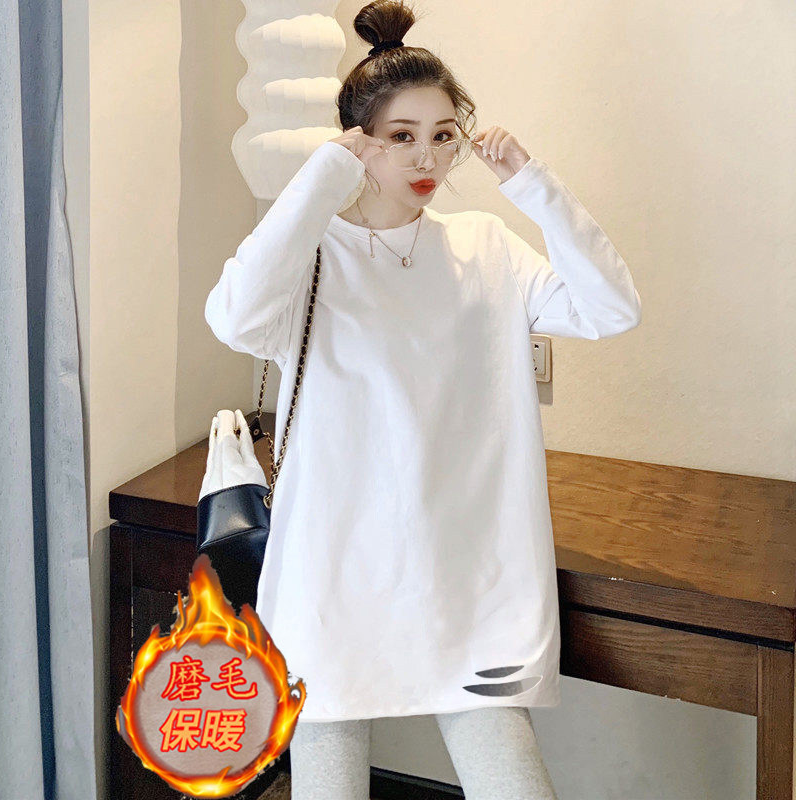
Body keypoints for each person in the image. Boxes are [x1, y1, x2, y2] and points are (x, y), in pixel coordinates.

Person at [204, 1, 642, 797]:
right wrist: (321, 178)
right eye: (400, 135)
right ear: (357, 142)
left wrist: (534, 186)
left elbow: (611, 309)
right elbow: (233, 319)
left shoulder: (483, 246)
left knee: (515, 782)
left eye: (443, 134)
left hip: (463, 581)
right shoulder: (312, 254)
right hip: (332, 575)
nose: (427, 157)